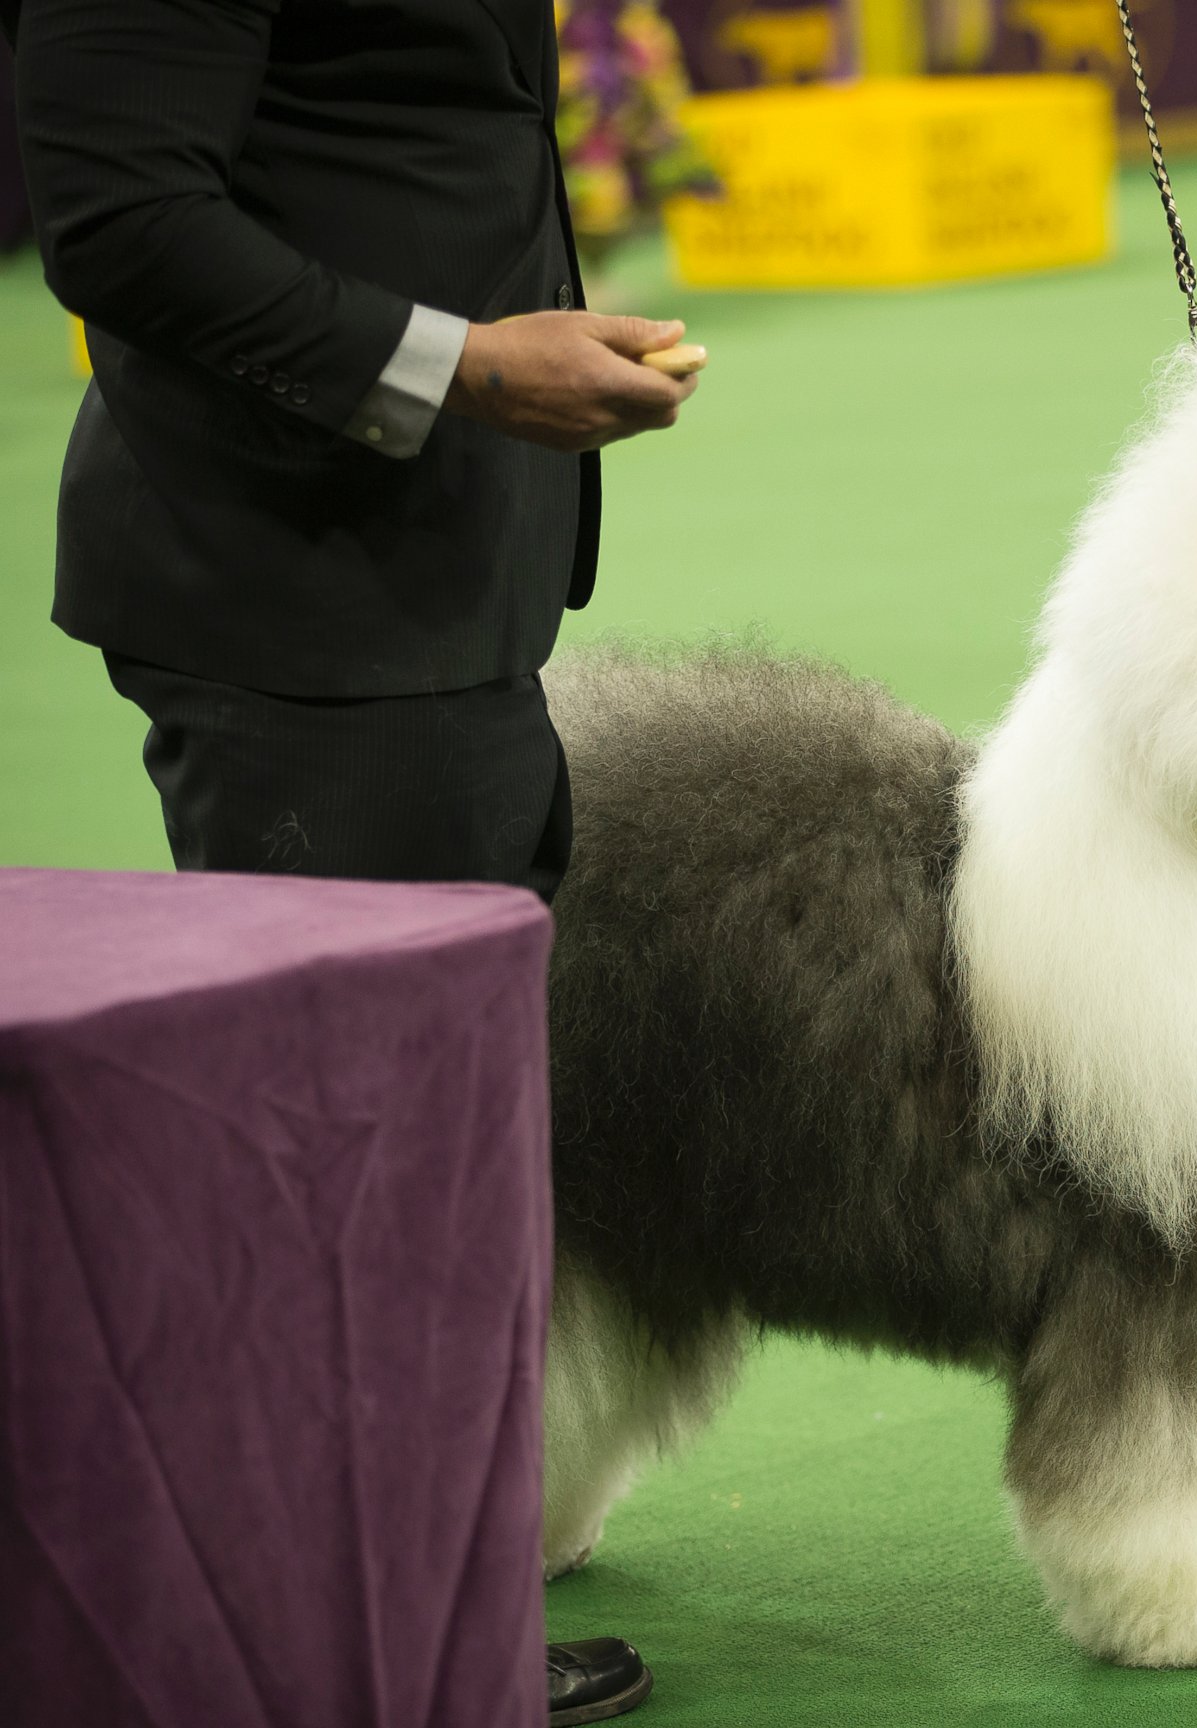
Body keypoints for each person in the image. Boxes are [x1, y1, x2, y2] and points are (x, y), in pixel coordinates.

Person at [6, 0, 696, 1719]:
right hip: (299, 594)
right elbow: (118, 221)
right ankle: (370, 1647)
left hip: (437, 571)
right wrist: (460, 363)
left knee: (431, 1133)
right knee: (343, 1164)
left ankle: (414, 1577)